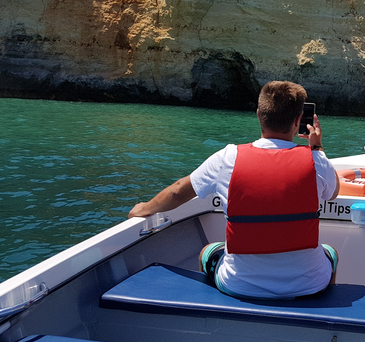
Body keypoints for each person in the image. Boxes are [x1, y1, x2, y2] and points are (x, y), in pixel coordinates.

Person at [128, 81, 340, 299]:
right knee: (331, 253)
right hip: (308, 286)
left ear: (259, 115)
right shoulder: (316, 161)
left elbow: (176, 192)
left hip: (239, 285)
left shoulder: (228, 158)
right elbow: (332, 193)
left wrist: (144, 208)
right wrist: (317, 147)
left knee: (206, 252)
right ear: (298, 120)